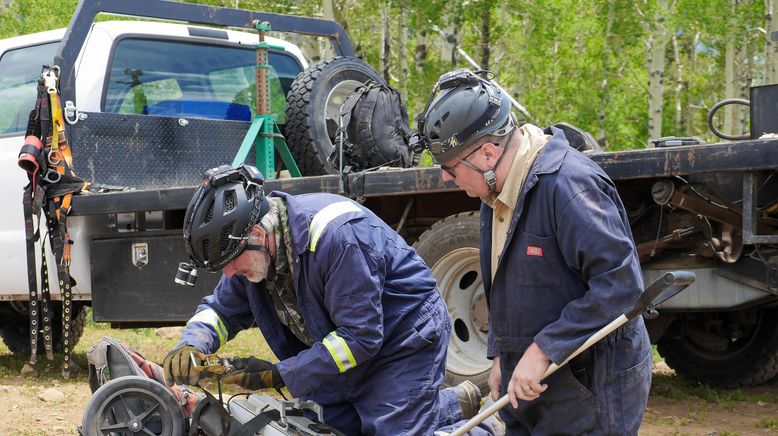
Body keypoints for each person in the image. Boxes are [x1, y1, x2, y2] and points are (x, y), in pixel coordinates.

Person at [162, 164, 481, 435]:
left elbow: (360, 337)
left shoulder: (337, 238)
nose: (229, 273)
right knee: (327, 430)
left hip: (401, 342)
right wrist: (191, 345)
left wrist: (278, 375)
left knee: (391, 425)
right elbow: (220, 310)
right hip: (338, 345)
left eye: (231, 261)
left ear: (258, 236)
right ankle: (443, 407)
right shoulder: (252, 255)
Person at [415, 69, 652, 435]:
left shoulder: (569, 187)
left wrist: (543, 350)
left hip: (590, 386)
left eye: (449, 167)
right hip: (530, 382)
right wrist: (500, 354)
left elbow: (620, 286)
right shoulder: (493, 192)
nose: (446, 178)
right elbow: (505, 283)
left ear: (489, 153)